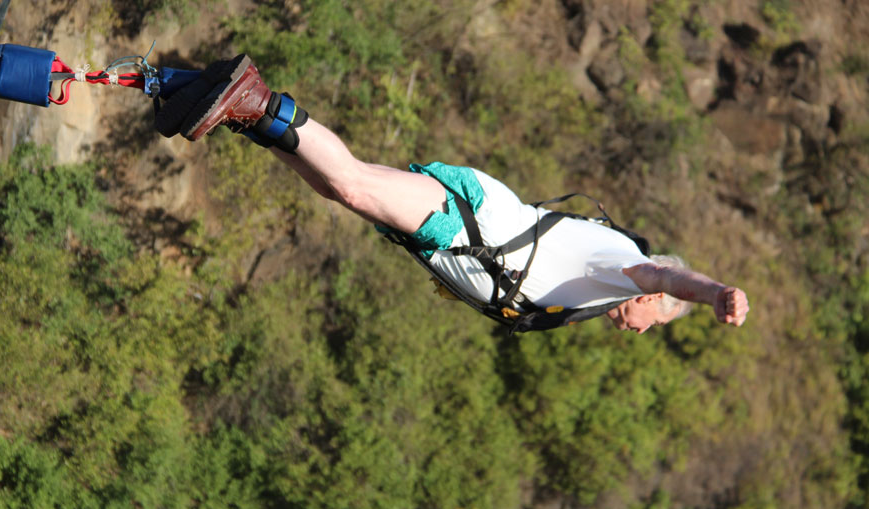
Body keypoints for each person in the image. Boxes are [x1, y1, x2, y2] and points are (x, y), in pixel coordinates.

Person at [154, 55, 749, 333]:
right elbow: (673, 279)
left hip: (462, 233)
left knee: (339, 189)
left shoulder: (601, 287)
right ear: (653, 303)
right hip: (469, 225)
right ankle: (254, 99)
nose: (636, 332)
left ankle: (245, 114)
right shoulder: (626, 267)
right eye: (652, 324)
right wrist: (715, 291)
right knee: (352, 184)